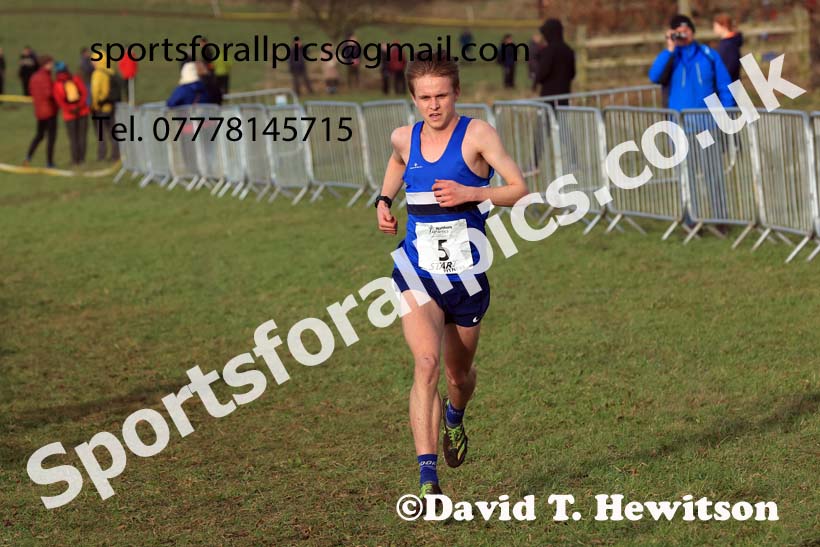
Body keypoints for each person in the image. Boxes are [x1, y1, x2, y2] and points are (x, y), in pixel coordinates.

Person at [375, 55, 528, 500]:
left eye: (442, 95)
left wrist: (474, 192)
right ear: (413, 98)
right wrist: (384, 201)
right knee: (426, 364)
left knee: (459, 377)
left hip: (466, 278)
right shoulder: (404, 137)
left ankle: (455, 418)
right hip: (416, 271)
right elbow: (398, 163)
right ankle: (428, 480)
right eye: (424, 97)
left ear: (456, 93)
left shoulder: (477, 134)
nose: (434, 105)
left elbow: (519, 189)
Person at [648, 14, 735, 111]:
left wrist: (725, 113)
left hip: (708, 121)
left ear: (692, 31)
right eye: (679, 32)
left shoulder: (709, 55)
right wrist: (670, 49)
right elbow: (654, 76)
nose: (683, 35)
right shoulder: (670, 57)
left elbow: (725, 84)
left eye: (686, 31)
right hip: (678, 121)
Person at [53, 61, 90, 166]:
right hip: (82, 112)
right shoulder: (76, 79)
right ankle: (82, 159)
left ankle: (75, 160)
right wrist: (79, 106)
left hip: (69, 115)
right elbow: (84, 93)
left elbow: (60, 101)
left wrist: (70, 109)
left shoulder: (57, 85)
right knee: (82, 136)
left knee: (73, 138)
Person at [24, 56, 57, 167]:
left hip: (39, 112)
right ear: (46, 64)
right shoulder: (46, 77)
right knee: (51, 138)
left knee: (39, 136)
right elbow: (49, 94)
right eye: (51, 64)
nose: (52, 66)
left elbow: (30, 90)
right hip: (49, 112)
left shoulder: (34, 77)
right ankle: (49, 162)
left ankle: (28, 157)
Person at [534, 19, 575, 105]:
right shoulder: (568, 50)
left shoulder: (548, 51)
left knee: (548, 118)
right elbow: (572, 73)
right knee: (562, 118)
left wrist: (536, 81)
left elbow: (542, 72)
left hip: (549, 96)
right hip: (564, 95)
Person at [91, 53, 121, 161]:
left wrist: (94, 105)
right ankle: (116, 154)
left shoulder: (98, 73)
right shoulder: (111, 71)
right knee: (113, 133)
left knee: (101, 134)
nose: (92, 63)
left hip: (101, 108)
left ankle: (101, 155)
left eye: (94, 60)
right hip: (112, 107)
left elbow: (95, 91)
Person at [713, 13, 743, 82]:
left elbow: (730, 67)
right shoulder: (727, 43)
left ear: (723, 26)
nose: (714, 29)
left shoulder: (729, 44)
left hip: (730, 85)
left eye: (716, 26)